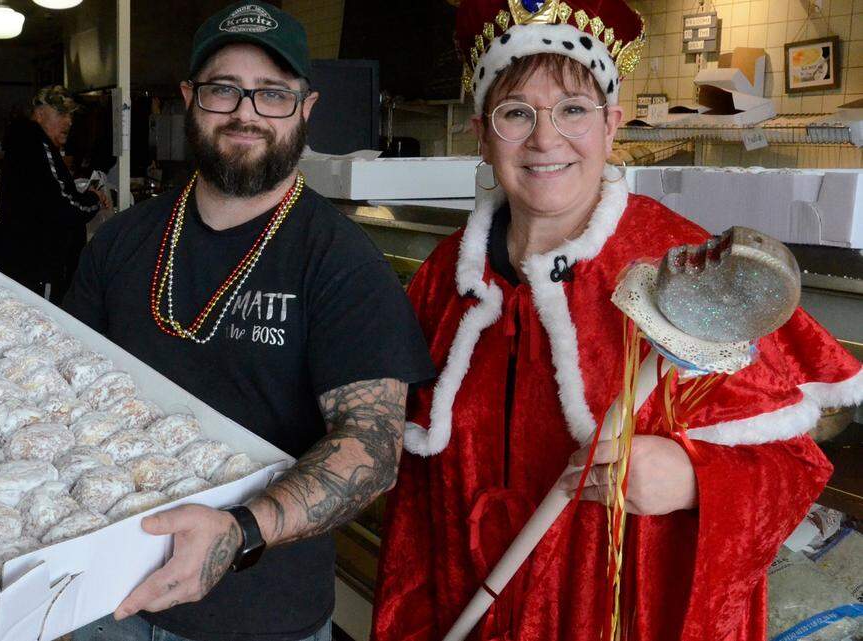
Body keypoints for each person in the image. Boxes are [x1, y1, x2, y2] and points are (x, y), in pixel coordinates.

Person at [372, 1, 863, 640]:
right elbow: (412, 497)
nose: (546, 139)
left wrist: (694, 480)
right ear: (482, 132)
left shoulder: (687, 269)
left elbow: (794, 469)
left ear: (611, 124)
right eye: (517, 113)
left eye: (572, 110)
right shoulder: (447, 278)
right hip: (464, 605)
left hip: (617, 615)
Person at [63, 3, 435, 640]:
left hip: (262, 616)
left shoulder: (342, 262)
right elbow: (65, 391)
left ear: (306, 108)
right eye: (223, 90)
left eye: (272, 94)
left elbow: (372, 448)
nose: (246, 113)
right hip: (107, 599)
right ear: (190, 99)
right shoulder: (120, 242)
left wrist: (242, 530)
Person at [0, 85, 108, 304]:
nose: (69, 121)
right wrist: (94, 199)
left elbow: (45, 196)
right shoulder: (37, 144)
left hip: (20, 260)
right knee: (44, 320)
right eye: (61, 114)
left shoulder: (23, 142)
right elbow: (65, 205)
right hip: (38, 265)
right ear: (39, 114)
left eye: (70, 115)